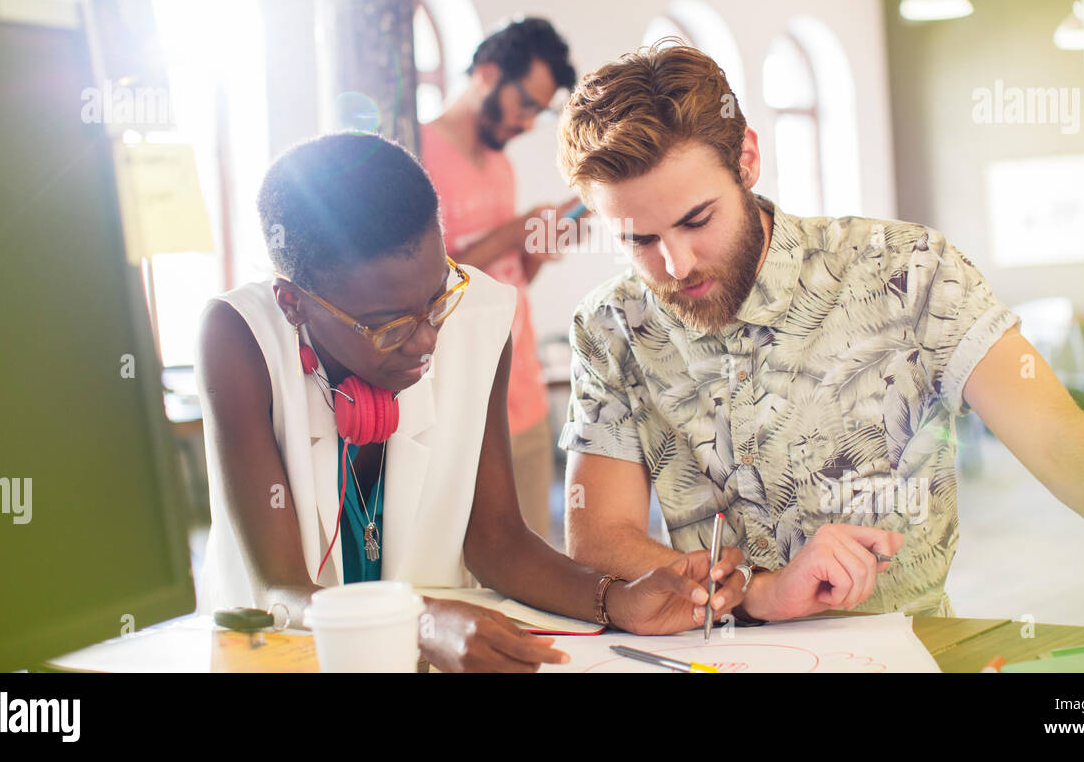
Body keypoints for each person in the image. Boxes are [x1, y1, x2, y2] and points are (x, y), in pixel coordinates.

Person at [555, 40, 1084, 622]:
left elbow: (1064, 444)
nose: (675, 265)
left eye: (698, 219)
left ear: (748, 161)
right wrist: (758, 593)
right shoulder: (611, 326)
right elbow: (600, 542)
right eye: (637, 239)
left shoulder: (907, 271)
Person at [195, 131, 744, 673]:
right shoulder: (239, 339)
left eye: (437, 299)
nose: (427, 339)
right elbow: (278, 588)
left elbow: (496, 539)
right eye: (389, 326)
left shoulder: (478, 317)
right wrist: (418, 622)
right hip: (284, 660)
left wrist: (619, 599)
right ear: (293, 303)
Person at [421, 16, 578, 540]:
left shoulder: (499, 165)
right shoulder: (416, 154)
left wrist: (536, 249)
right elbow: (423, 286)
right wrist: (513, 231)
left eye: (540, 110)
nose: (529, 123)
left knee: (532, 561)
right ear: (488, 73)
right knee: (466, 572)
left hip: (523, 393)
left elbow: (506, 282)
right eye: (526, 104)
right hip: (454, 405)